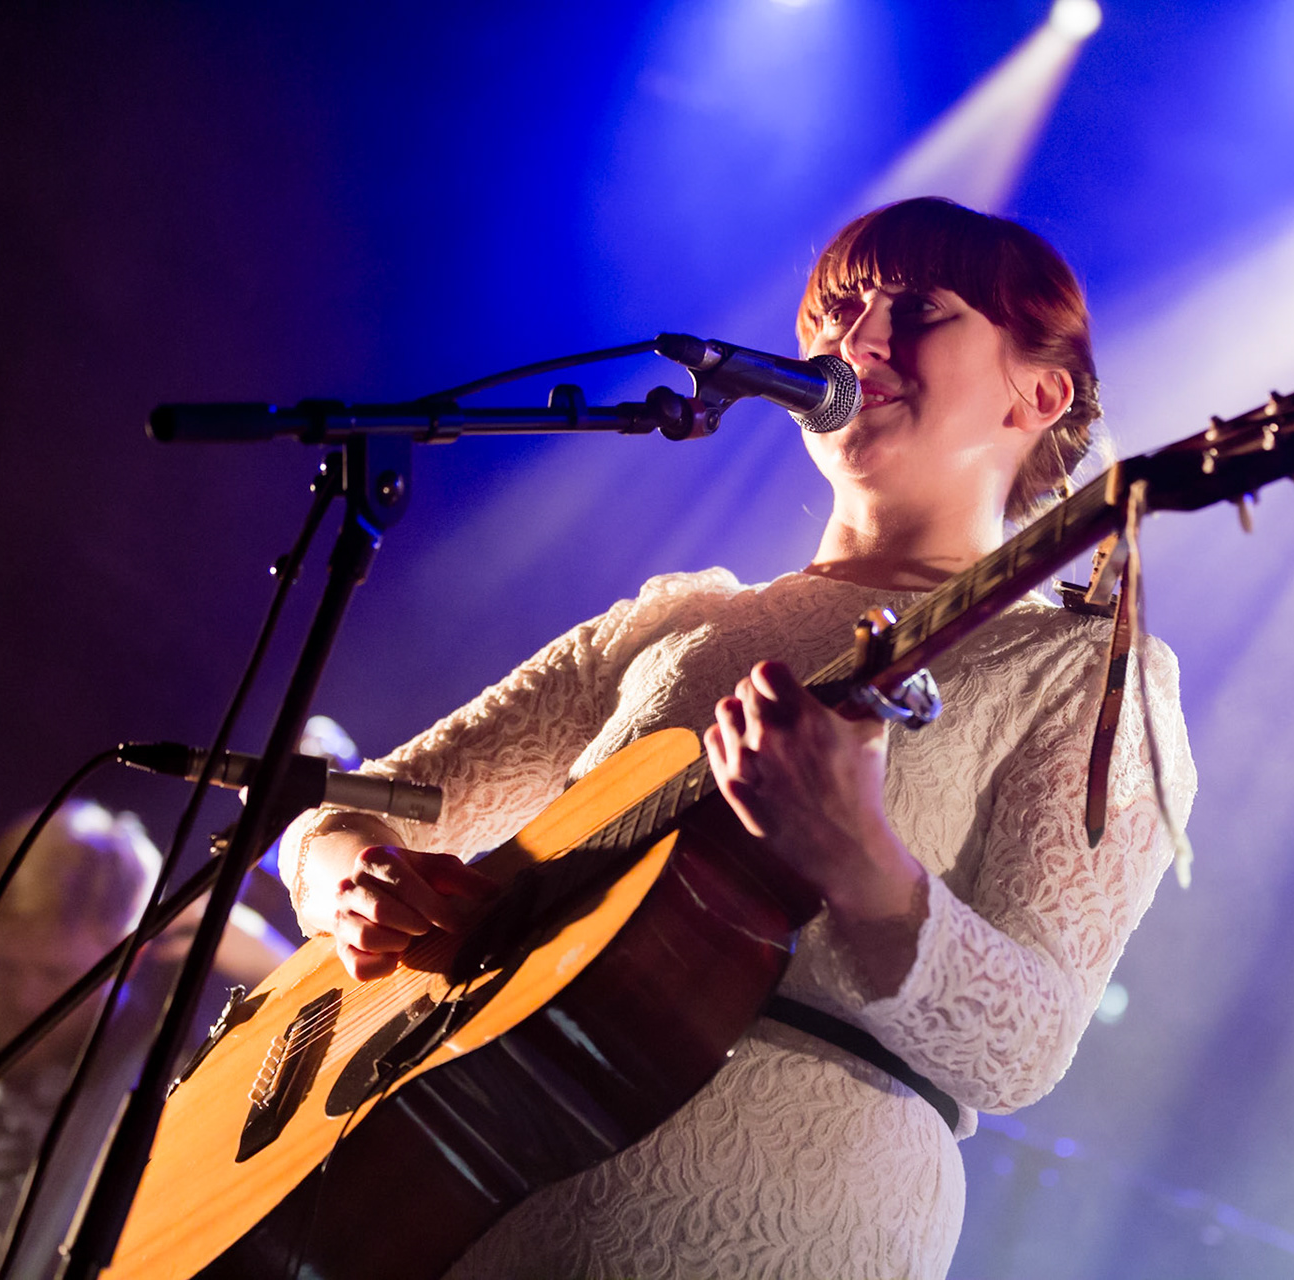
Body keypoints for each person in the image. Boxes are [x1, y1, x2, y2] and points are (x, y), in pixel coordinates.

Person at [281, 196, 1197, 1279]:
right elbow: (346, 805)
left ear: (1038, 392)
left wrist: (862, 862)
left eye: (920, 310)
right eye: (841, 309)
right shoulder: (676, 621)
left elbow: (1026, 1046)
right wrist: (355, 876)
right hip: (462, 1198)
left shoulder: (1086, 667)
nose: (857, 340)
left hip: (803, 1210)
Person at [0, 804, 292, 1280]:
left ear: (130, 958)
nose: (25, 998)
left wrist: (271, 963)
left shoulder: (167, 1078)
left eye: (58, 975)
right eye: (6, 965)